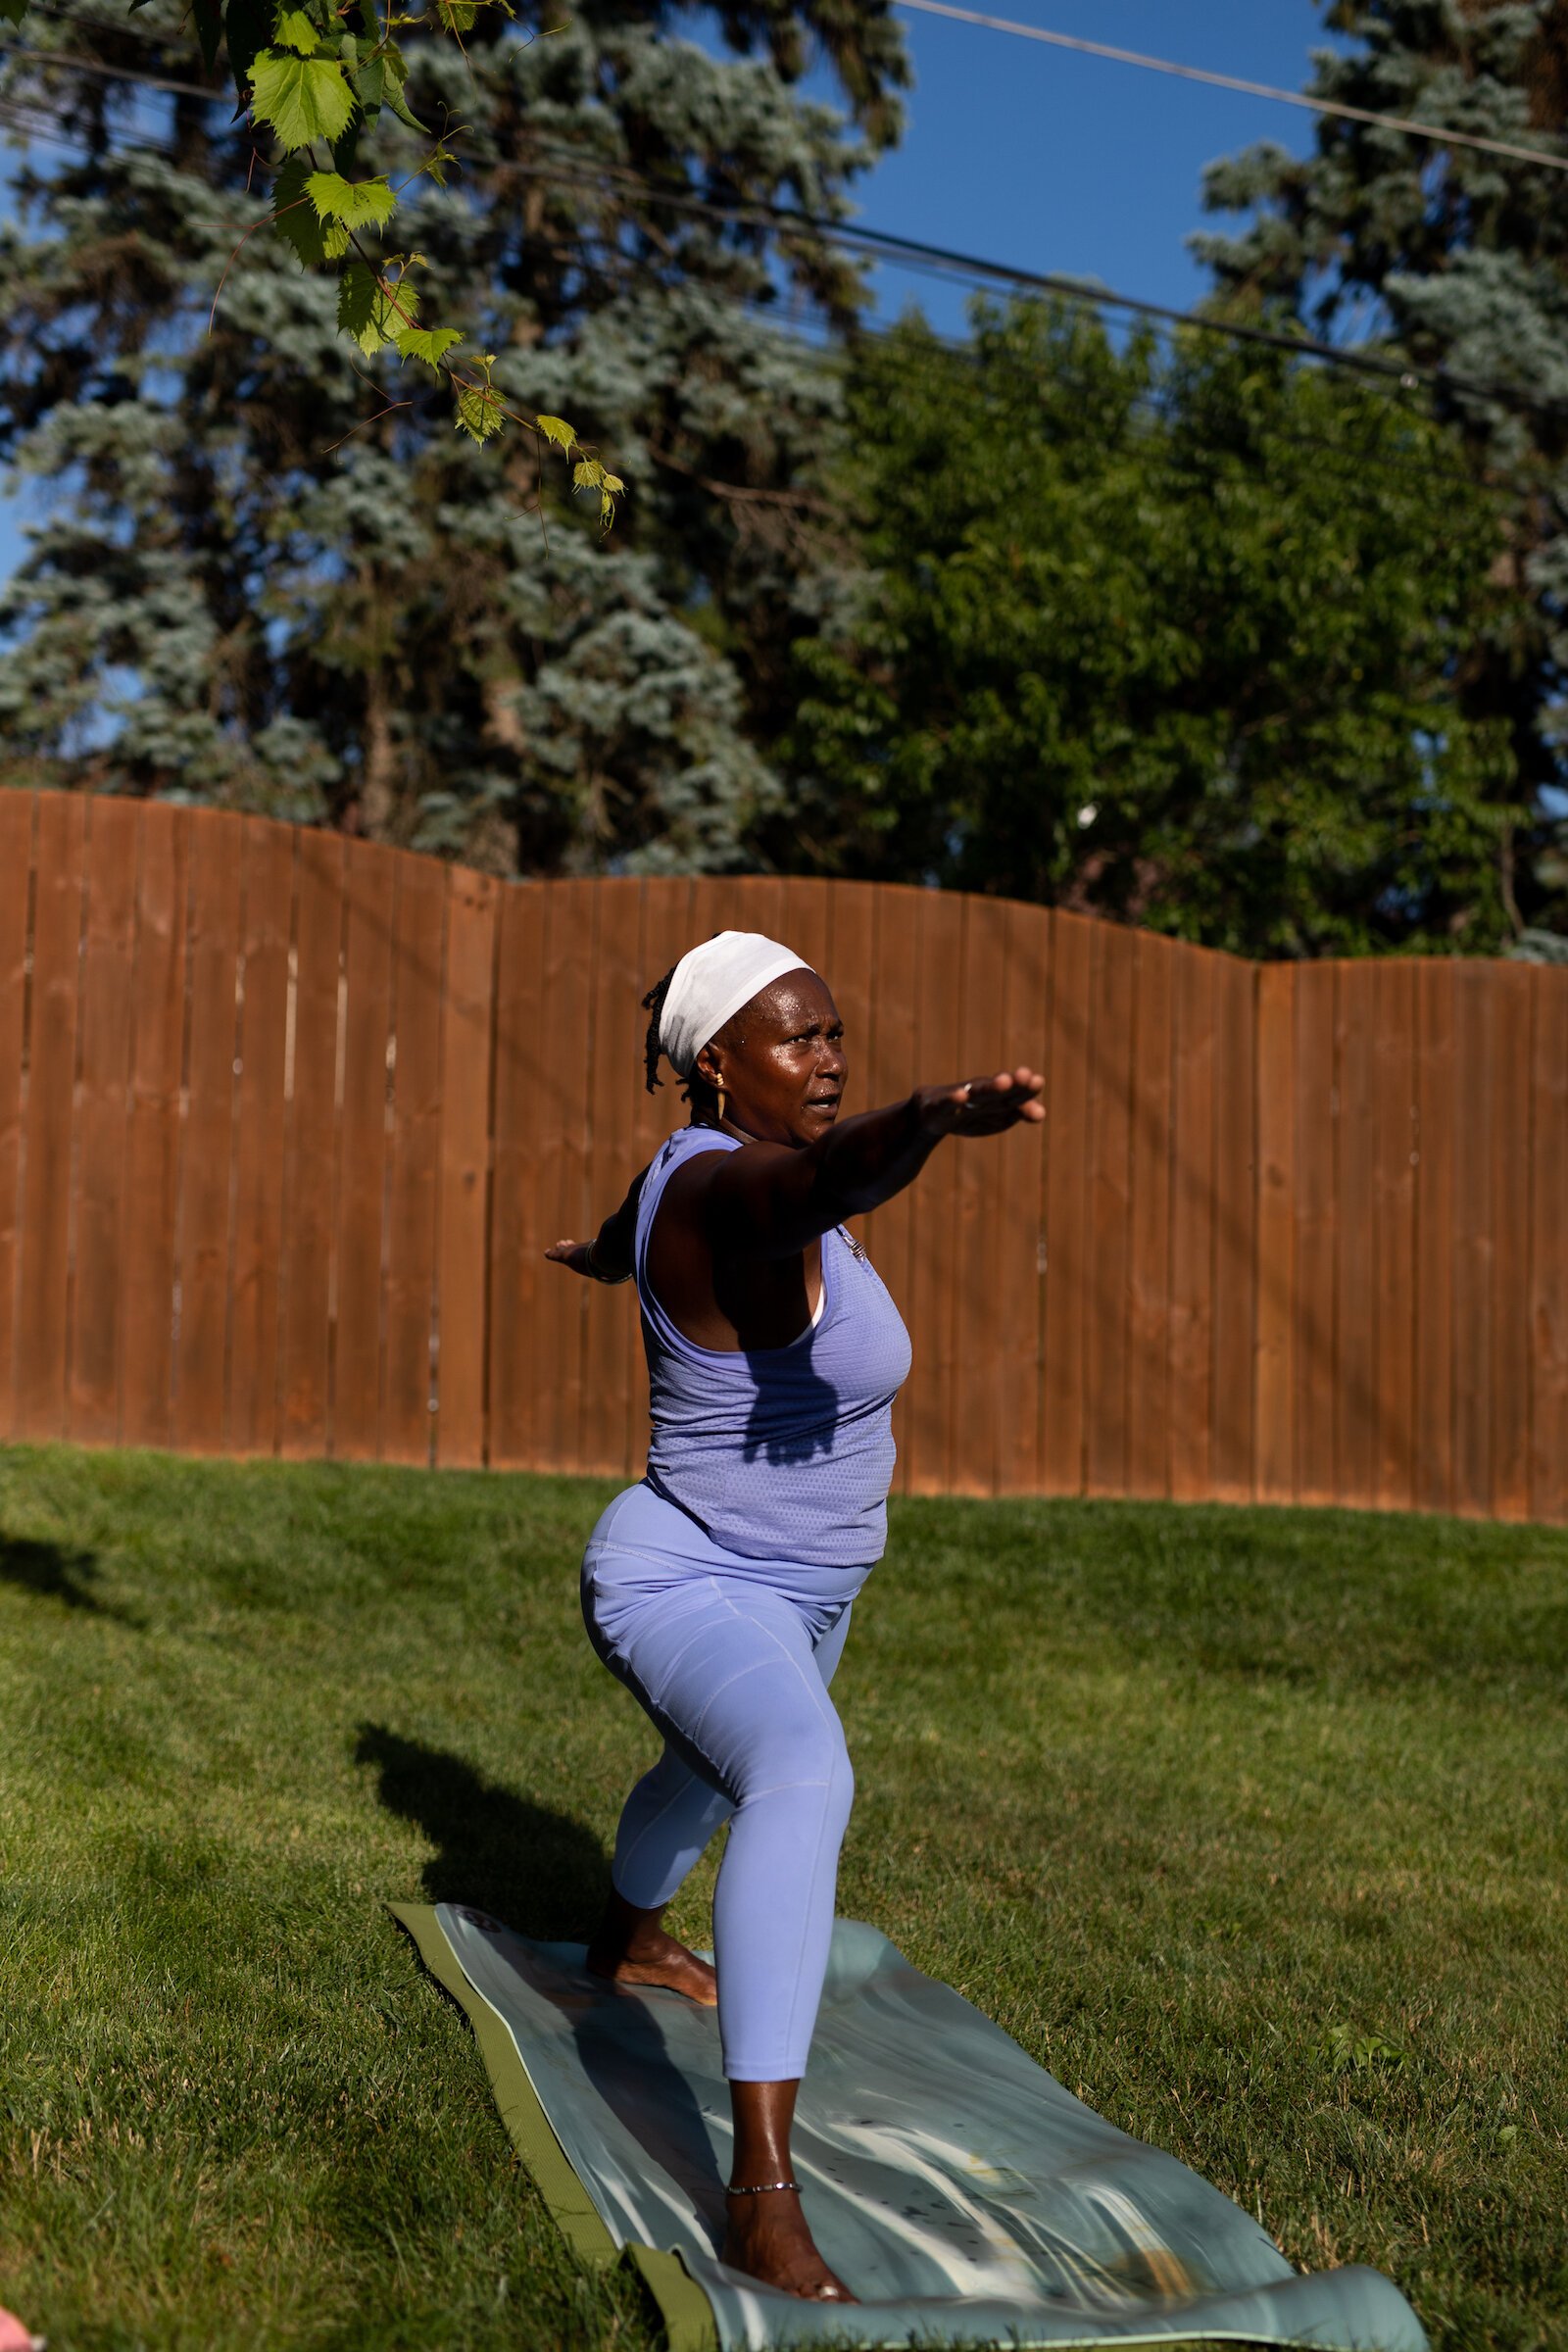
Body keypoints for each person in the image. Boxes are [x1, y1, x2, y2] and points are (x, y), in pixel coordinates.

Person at [546, 929, 1043, 2302]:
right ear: (718, 1064)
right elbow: (818, 1179)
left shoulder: (680, 1183)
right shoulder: (747, 1186)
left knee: (703, 1781)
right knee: (799, 1772)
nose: (826, 1060)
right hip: (686, 1575)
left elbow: (646, 1225)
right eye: (796, 1038)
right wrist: (935, 1116)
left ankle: (628, 1934)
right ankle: (762, 2194)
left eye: (834, 1034)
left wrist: (598, 1256)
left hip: (805, 1593)